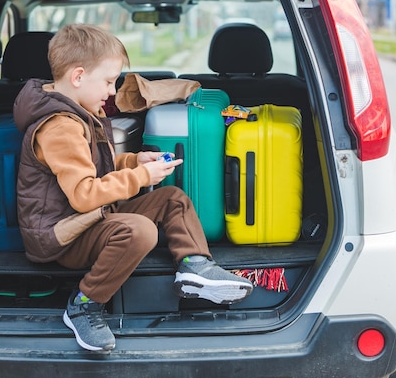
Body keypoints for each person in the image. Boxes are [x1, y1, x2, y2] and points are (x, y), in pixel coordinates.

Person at [13, 23, 253, 352]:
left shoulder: (81, 111)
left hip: (91, 217)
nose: (112, 92)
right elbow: (84, 195)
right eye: (109, 81)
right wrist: (140, 178)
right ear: (79, 76)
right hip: (62, 234)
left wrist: (134, 162)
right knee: (139, 231)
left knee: (173, 199)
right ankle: (84, 304)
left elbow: (97, 166)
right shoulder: (59, 127)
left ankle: (194, 267)